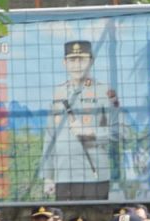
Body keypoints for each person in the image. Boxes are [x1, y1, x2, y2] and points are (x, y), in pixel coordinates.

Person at [41, 41, 121, 201]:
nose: (77, 65)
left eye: (82, 59)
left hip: (94, 177)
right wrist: (48, 176)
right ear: (64, 62)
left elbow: (119, 132)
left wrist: (90, 132)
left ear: (91, 61)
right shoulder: (58, 92)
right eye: (72, 60)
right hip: (63, 177)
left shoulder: (104, 92)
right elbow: (50, 137)